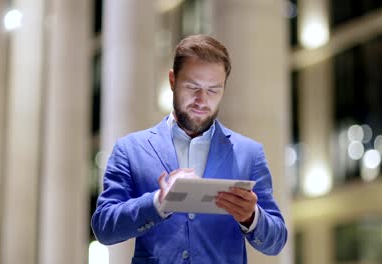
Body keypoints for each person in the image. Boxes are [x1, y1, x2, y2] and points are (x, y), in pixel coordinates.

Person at [91, 35, 287, 264]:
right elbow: (104, 227)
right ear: (172, 80)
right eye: (192, 87)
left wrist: (252, 217)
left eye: (213, 90)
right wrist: (157, 202)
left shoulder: (249, 154)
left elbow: (277, 240)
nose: (202, 100)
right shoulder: (130, 149)